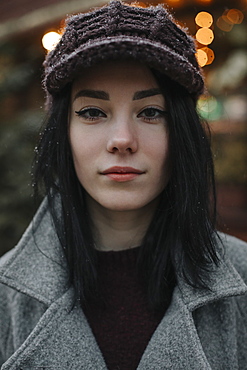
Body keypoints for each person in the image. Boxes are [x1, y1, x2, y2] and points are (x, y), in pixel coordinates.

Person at [0, 1, 247, 369]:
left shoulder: (242, 281)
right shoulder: (6, 296)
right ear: (62, 132)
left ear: (181, 131)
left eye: (150, 112)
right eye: (92, 112)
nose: (122, 139)